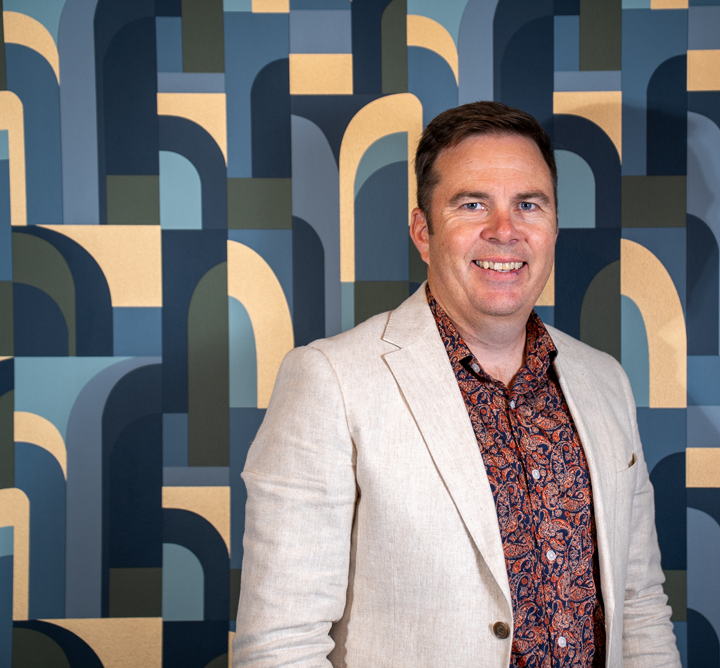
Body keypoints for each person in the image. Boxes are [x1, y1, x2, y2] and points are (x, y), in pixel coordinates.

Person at [233, 101, 681, 668]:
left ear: (554, 225)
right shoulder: (330, 381)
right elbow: (280, 644)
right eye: (473, 204)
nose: (505, 231)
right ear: (424, 230)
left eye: (528, 204)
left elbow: (638, 605)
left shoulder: (604, 381)